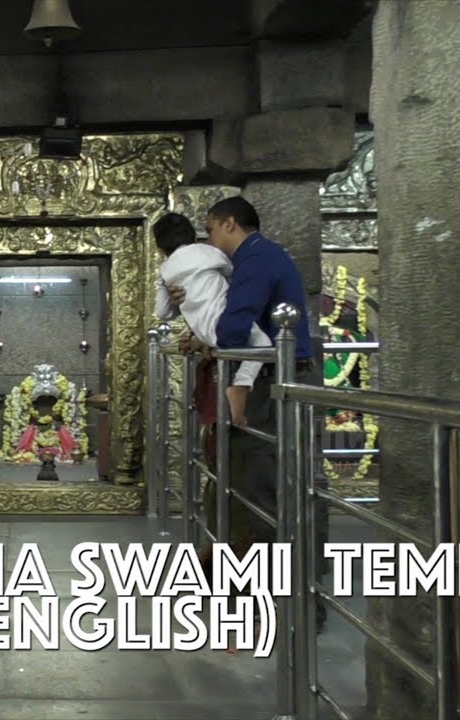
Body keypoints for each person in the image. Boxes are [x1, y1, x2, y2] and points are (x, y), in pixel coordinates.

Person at [168, 197, 326, 627]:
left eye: (212, 231)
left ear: (230, 224)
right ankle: (262, 590)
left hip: (271, 379)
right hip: (269, 373)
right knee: (252, 482)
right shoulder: (256, 259)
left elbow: (235, 325)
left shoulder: (255, 260)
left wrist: (233, 375)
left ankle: (282, 598)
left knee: (264, 485)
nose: (210, 242)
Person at [153, 212, 271, 426]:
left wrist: (171, 294)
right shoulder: (210, 253)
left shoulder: (166, 269)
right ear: (193, 235)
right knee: (262, 344)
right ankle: (241, 386)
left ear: (160, 248)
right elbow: (231, 272)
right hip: (226, 321)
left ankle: (237, 387)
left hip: (205, 330)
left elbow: (163, 313)